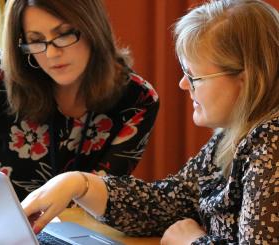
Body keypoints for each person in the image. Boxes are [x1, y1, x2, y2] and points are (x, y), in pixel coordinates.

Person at [21, 0, 279, 244]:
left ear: (247, 80)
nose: (183, 84)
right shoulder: (231, 136)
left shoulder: (271, 144)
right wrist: (78, 183)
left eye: (194, 76)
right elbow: (165, 204)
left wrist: (191, 241)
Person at [0, 0, 159, 205]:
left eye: (64, 34)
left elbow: (108, 199)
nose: (52, 53)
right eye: (36, 40)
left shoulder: (137, 100)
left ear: (92, 28)